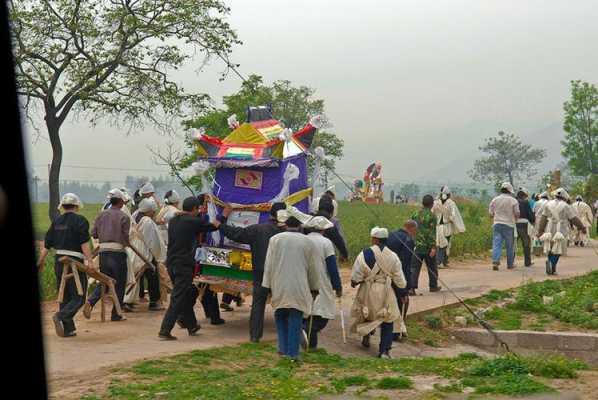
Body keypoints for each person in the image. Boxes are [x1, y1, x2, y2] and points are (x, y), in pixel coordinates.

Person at [219, 202, 287, 342]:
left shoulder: (257, 230)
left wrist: (220, 223)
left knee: (258, 304)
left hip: (260, 272)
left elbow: (235, 234)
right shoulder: (290, 233)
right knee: (285, 304)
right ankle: (287, 335)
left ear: (270, 214)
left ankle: (255, 336)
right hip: (281, 274)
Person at [158, 196, 220, 340]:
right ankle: (165, 330)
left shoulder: (174, 220)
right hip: (183, 265)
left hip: (172, 264)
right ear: (194, 209)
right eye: (197, 209)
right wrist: (224, 215)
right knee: (178, 297)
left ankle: (191, 325)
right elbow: (212, 226)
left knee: (185, 294)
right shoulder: (193, 221)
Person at [262, 211, 320, 361]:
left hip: (279, 284)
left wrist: (267, 286)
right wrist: (315, 287)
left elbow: (269, 265)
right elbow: (313, 268)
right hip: (299, 285)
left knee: (280, 314)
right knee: (296, 315)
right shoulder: (308, 242)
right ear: (300, 226)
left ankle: (282, 348)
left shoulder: (275, 240)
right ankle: (293, 354)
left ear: (285, 226)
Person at [38, 193, 93, 337]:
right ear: (76, 206)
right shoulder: (81, 220)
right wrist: (90, 261)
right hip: (74, 261)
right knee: (79, 297)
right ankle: (61, 316)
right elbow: (84, 243)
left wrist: (40, 261)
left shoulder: (57, 221)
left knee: (65, 295)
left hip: (59, 260)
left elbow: (47, 244)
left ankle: (68, 329)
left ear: (62, 206)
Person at [350, 227, 407, 359]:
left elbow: (356, 275)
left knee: (366, 313)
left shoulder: (364, 254)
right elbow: (400, 280)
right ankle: (384, 351)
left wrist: (355, 282)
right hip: (386, 291)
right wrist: (402, 292)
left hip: (368, 289)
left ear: (374, 239)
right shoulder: (393, 257)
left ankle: (366, 336)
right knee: (388, 318)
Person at [84, 189, 131, 321]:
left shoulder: (101, 215)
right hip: (118, 253)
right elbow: (125, 238)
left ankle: (91, 301)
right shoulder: (124, 217)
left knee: (106, 280)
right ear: (121, 202)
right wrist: (126, 243)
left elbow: (94, 234)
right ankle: (116, 314)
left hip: (103, 253)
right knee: (119, 283)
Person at [301, 216, 342, 351]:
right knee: (321, 316)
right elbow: (332, 267)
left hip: (303, 281)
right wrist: (337, 286)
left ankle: (309, 343)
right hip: (321, 282)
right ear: (323, 230)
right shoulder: (326, 243)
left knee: (307, 313)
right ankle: (305, 333)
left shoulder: (303, 240)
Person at [124, 198, 166, 311]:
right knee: (152, 275)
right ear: (149, 210)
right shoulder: (147, 221)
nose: (154, 213)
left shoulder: (135, 215)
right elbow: (153, 240)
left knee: (133, 275)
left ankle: (127, 301)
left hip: (133, 250)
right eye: (153, 211)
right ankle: (154, 302)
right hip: (144, 251)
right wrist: (158, 255)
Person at [538, 188, 587, 275]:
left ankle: (552, 267)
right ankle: (551, 263)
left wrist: (540, 230)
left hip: (549, 228)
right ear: (565, 197)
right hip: (561, 230)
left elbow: (543, 218)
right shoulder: (566, 206)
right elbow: (574, 219)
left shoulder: (548, 204)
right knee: (558, 248)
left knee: (550, 246)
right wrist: (582, 227)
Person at [387, 220, 417, 341]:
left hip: (386, 273)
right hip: (398, 275)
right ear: (412, 228)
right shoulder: (408, 240)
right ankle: (398, 330)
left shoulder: (391, 235)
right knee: (402, 301)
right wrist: (407, 286)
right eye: (415, 230)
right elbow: (406, 264)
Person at [410, 195, 440, 294]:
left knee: (414, 268)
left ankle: (411, 288)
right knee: (432, 267)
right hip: (427, 247)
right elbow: (432, 233)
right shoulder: (432, 216)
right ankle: (433, 286)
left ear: (422, 203)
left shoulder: (415, 214)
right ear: (432, 204)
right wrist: (433, 247)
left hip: (416, 246)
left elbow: (411, 229)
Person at [432, 186, 466, 268]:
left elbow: (432, 212)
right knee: (445, 244)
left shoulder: (436, 202)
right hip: (447, 227)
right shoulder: (451, 203)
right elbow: (454, 216)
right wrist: (459, 227)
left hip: (438, 226)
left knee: (440, 244)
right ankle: (440, 262)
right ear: (449, 194)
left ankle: (443, 261)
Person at [489, 183, 520, 270]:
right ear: (510, 191)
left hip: (497, 224)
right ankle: (510, 264)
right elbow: (517, 213)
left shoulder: (495, 200)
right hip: (509, 225)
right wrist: (516, 219)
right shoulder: (513, 201)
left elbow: (491, 213)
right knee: (510, 245)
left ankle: (495, 262)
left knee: (496, 243)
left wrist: (495, 217)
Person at [516, 188, 535, 267]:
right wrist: (533, 221)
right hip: (524, 224)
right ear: (523, 196)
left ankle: (511, 261)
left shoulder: (513, 201)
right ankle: (527, 262)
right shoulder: (525, 202)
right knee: (526, 243)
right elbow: (530, 214)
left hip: (514, 223)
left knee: (513, 244)